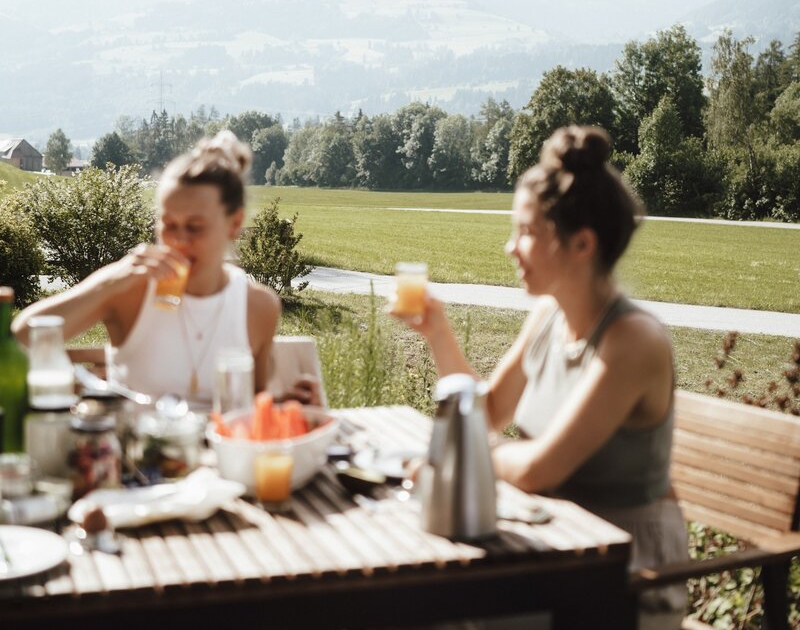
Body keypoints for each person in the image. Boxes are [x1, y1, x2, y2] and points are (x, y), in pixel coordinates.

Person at [392, 125, 687, 630]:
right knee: (406, 595)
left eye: (527, 232)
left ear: (581, 244)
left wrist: (452, 462)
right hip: (554, 551)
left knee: (435, 613)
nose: (511, 248)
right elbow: (487, 414)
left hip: (626, 575)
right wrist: (439, 334)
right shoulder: (548, 317)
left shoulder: (632, 342)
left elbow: (537, 470)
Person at [13, 131, 320, 407]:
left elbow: (251, 412)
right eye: (168, 225)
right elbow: (22, 337)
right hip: (136, 463)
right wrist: (110, 282)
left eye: (195, 227)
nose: (178, 241)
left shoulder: (258, 307)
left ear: (235, 224)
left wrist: (283, 405)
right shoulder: (130, 290)